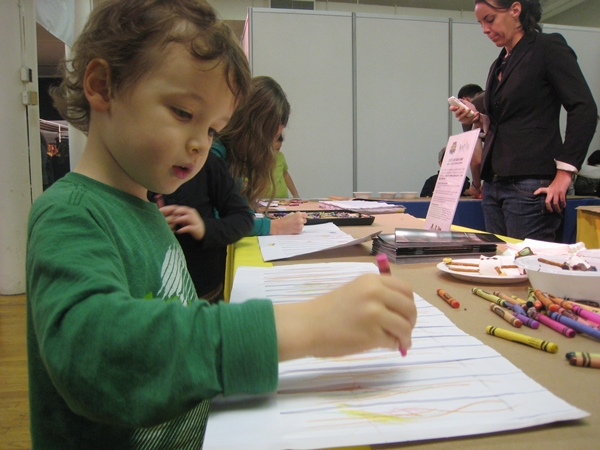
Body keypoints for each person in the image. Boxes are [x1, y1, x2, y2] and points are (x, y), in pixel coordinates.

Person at [25, 1, 417, 448]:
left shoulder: (147, 209)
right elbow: (96, 355)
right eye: (183, 113)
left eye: (213, 130)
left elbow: (180, 323)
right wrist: (306, 326)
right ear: (103, 85)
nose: (199, 145)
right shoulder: (71, 213)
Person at [451, 0, 597, 241]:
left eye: (490, 19)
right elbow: (510, 120)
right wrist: (478, 119)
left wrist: (565, 172)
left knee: (528, 269)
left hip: (530, 183)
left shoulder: (547, 48)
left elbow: (583, 108)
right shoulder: (499, 63)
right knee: (499, 268)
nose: (485, 29)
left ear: (515, 10)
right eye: (481, 23)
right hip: (495, 185)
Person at [149, 152, 254, 303]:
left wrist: (205, 228)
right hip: (152, 303)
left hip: (207, 295)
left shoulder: (207, 163)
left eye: (210, 132)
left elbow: (243, 219)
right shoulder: (127, 172)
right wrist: (149, 228)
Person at [211, 76, 307, 235]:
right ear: (253, 129)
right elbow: (216, 222)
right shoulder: (215, 157)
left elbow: (241, 214)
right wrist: (274, 227)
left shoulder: (233, 159)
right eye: (269, 138)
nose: (269, 148)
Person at [458, 84, 485, 199]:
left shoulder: (473, 109)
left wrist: (476, 185)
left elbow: (476, 158)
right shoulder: (497, 97)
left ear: (463, 100)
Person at [268, 133, 300, 198]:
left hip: (282, 198)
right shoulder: (257, 160)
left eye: (278, 149)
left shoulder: (280, 156)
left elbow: (286, 175)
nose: (275, 152)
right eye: (272, 149)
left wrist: (295, 194)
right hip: (263, 199)